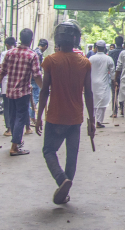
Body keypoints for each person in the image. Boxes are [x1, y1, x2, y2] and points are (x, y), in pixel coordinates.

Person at [36, 19, 95, 205]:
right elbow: (89, 93)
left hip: (54, 116)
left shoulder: (50, 61)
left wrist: (38, 116)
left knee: (48, 150)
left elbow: (44, 90)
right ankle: (66, 184)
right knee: (72, 154)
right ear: (76, 39)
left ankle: (62, 181)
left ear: (58, 39)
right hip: (75, 117)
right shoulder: (85, 63)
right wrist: (92, 120)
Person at [0, 28, 43, 156]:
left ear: (20, 38)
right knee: (21, 117)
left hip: (9, 92)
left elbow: (1, 72)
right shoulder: (32, 55)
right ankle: (15, 146)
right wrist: (44, 88)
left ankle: (16, 142)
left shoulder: (10, 53)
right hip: (23, 92)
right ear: (31, 41)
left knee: (13, 117)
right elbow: (37, 75)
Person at [89, 40, 114, 128]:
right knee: (102, 102)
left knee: (94, 101)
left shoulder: (91, 58)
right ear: (104, 48)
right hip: (103, 83)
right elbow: (112, 72)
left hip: (92, 83)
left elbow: (87, 71)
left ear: (96, 48)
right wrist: (114, 81)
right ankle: (99, 121)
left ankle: (94, 120)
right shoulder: (108, 59)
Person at [0, 37, 16, 136]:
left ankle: (9, 129)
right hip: (17, 84)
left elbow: (1, 68)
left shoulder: (5, 54)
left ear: (6, 44)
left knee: (7, 107)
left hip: (6, 84)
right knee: (16, 106)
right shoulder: (19, 53)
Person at [30, 39, 49, 126]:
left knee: (32, 97)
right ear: (45, 46)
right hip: (35, 78)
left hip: (30, 77)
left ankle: (30, 116)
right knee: (36, 97)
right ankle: (31, 116)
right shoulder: (39, 54)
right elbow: (38, 69)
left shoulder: (33, 51)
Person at [108, 36, 125, 117]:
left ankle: (114, 112)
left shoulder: (111, 52)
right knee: (122, 92)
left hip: (114, 74)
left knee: (114, 93)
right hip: (123, 74)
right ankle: (122, 109)